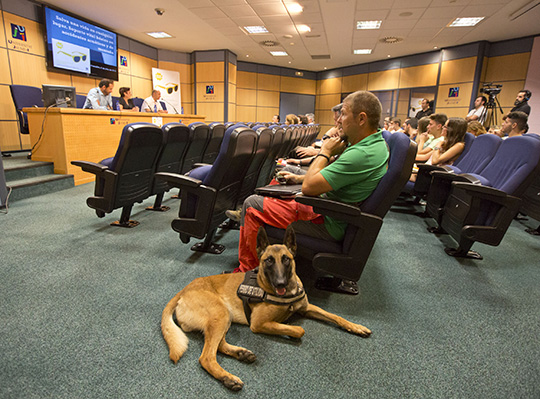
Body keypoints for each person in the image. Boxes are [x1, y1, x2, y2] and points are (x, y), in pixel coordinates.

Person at [230, 90, 389, 273]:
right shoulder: (371, 144)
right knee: (281, 183)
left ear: (362, 119)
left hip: (327, 218)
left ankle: (247, 272)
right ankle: (260, 217)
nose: (338, 120)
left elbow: (309, 188)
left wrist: (326, 151)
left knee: (252, 205)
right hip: (329, 207)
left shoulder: (361, 154)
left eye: (343, 114)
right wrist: (301, 176)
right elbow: (332, 175)